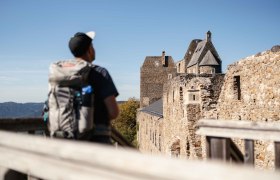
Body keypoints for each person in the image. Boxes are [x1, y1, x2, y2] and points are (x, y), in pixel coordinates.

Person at [68, 31, 119, 144]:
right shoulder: (100, 73)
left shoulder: (63, 74)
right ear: (90, 49)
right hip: (95, 139)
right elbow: (113, 112)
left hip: (68, 139)